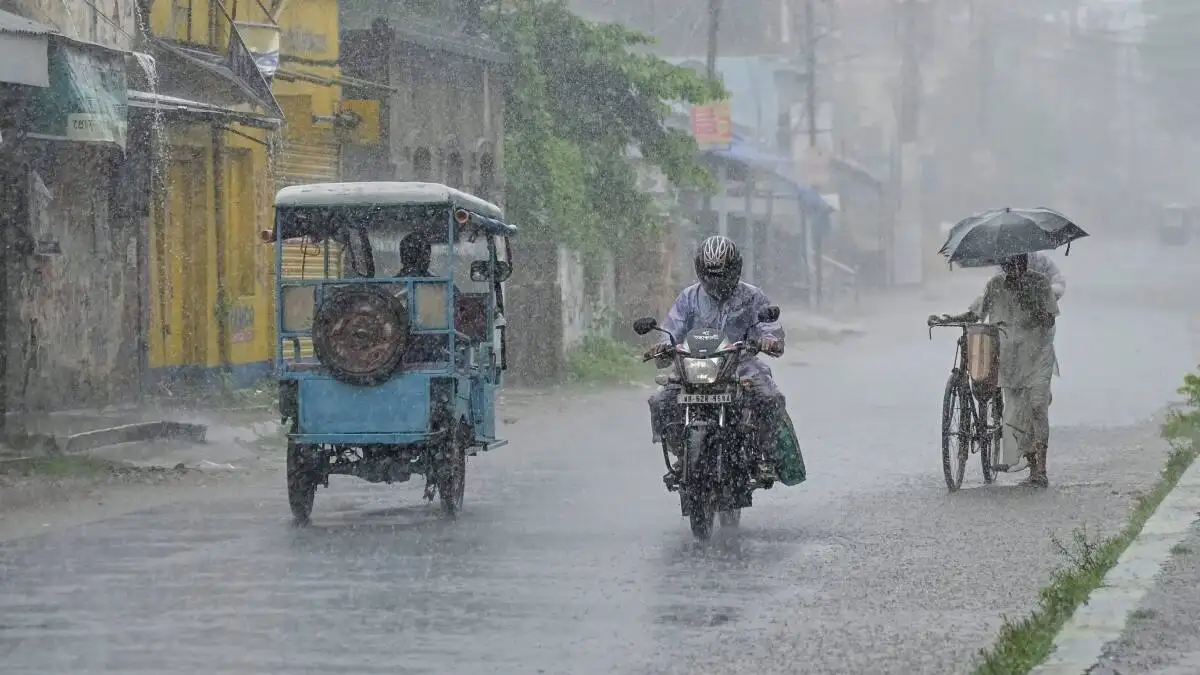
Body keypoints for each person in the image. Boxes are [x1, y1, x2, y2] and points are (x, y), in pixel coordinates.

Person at [645, 235, 786, 483]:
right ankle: (683, 453)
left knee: (770, 398)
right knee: (661, 401)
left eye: (722, 273)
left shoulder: (752, 297)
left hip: (741, 365)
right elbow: (672, 329)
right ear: (701, 270)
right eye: (710, 274)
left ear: (735, 269)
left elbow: (770, 327)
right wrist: (663, 346)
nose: (716, 280)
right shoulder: (689, 298)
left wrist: (769, 340)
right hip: (696, 366)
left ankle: (765, 457)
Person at [932, 253, 1060, 487]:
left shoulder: (1040, 283)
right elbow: (977, 313)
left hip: (1037, 354)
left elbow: (1049, 320)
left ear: (1024, 261)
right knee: (1016, 413)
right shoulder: (995, 285)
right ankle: (1032, 463)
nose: (1013, 267)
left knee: (1037, 405)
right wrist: (950, 318)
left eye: (1018, 262)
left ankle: (1040, 468)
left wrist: (1031, 303)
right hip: (1010, 358)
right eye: (1008, 263)